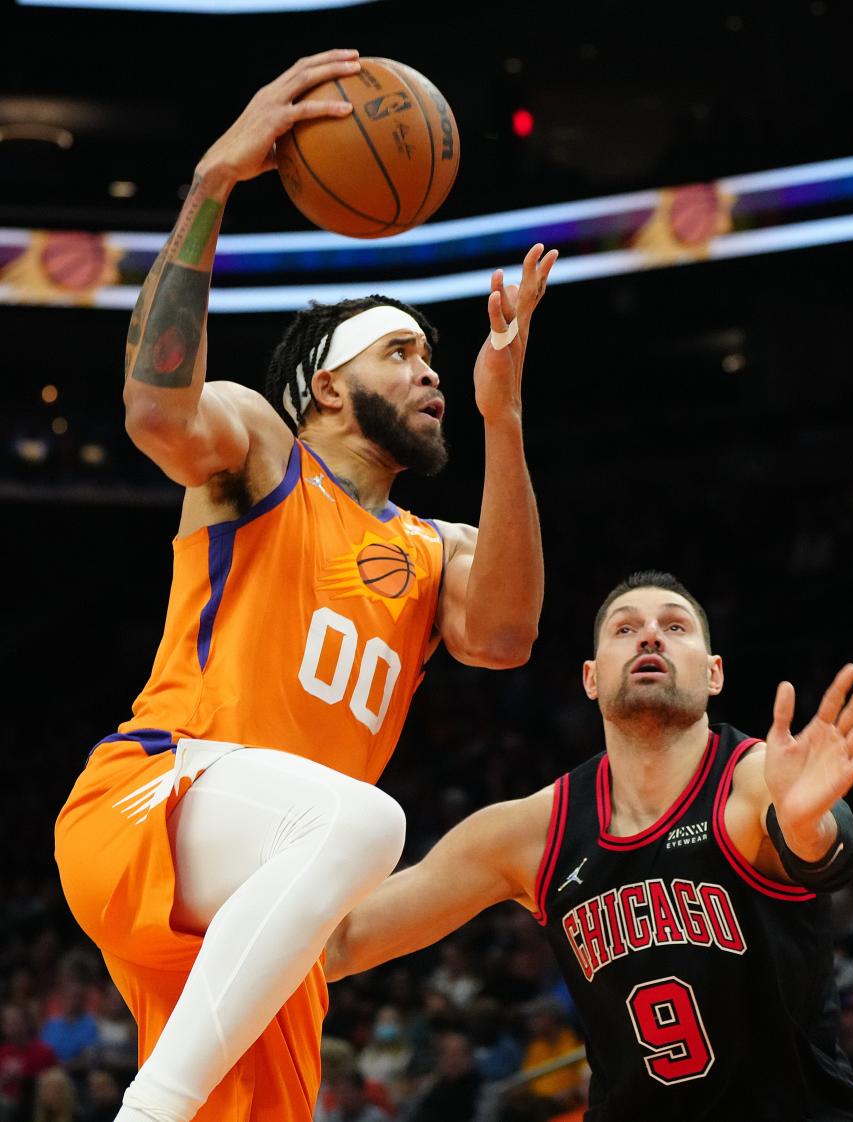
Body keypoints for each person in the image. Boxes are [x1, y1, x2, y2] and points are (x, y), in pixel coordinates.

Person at [53, 49, 558, 1122]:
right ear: (329, 384)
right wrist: (211, 185)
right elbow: (155, 411)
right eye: (404, 353)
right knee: (368, 825)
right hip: (158, 798)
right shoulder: (263, 449)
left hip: (270, 889)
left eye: (435, 359)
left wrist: (503, 415)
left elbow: (507, 635)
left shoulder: (437, 547)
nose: (432, 373)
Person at [326, 570, 853, 1121]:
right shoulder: (534, 830)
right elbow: (345, 943)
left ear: (714, 673)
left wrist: (807, 826)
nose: (650, 634)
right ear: (591, 677)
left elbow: (823, 854)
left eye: (675, 627)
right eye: (624, 629)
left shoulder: (754, 779)